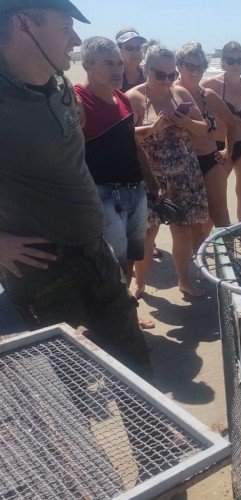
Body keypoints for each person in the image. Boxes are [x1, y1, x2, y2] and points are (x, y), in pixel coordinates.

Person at [0, 0, 151, 375]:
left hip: (95, 251)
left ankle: (156, 433)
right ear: (24, 25)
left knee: (134, 365)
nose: (76, 39)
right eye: (65, 27)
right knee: (70, 387)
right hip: (43, 269)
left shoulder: (59, 84)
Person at [74, 36, 161, 329]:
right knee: (112, 260)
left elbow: (133, 144)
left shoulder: (121, 97)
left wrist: (152, 182)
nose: (116, 70)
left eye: (119, 63)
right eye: (108, 63)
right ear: (86, 65)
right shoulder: (77, 100)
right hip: (104, 193)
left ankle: (125, 311)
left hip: (135, 189)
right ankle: (110, 319)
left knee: (130, 258)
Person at [127, 43, 209, 298]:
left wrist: (183, 120)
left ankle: (185, 281)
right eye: (159, 74)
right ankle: (139, 283)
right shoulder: (133, 97)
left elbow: (203, 128)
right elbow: (126, 138)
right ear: (146, 69)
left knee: (182, 230)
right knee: (147, 234)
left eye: (170, 75)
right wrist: (155, 127)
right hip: (151, 177)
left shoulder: (181, 93)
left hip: (184, 174)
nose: (166, 80)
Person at [176, 41, 236, 235]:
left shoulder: (207, 95)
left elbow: (231, 123)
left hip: (210, 160)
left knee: (221, 216)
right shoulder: (169, 95)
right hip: (183, 165)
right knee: (192, 220)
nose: (196, 70)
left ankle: (228, 260)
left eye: (200, 66)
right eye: (190, 66)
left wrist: (228, 150)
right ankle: (198, 259)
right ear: (179, 66)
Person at [202, 41, 241, 221]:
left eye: (240, 61)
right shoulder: (211, 85)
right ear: (223, 61)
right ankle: (209, 238)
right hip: (220, 147)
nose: (236, 65)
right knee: (216, 194)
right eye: (231, 60)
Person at [116, 26, 145, 92]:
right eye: (129, 48)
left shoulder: (148, 75)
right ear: (119, 50)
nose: (135, 52)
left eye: (138, 47)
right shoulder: (113, 76)